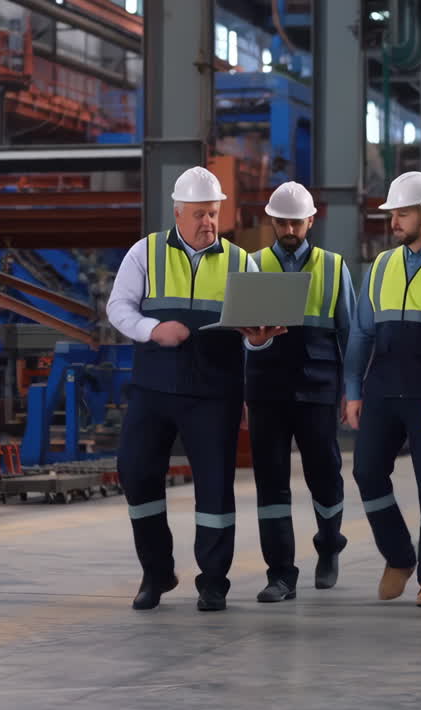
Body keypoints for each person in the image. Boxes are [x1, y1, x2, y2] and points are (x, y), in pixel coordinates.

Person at [106, 166, 285, 612]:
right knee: (136, 472)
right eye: (200, 214)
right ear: (178, 213)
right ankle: (157, 572)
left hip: (214, 393)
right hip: (153, 389)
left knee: (215, 487)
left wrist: (258, 341)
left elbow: (254, 335)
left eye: (214, 213)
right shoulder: (146, 253)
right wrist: (152, 329)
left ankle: (214, 581)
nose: (208, 222)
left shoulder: (241, 262)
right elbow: (118, 307)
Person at [344, 171, 421, 607]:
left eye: (403, 214)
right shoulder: (381, 266)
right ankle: (398, 556)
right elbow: (362, 333)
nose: (394, 222)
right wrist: (353, 389)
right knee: (366, 471)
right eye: (392, 214)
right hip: (382, 388)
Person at [244, 181, 354, 602]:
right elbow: (241, 334)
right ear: (271, 221)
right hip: (266, 387)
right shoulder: (253, 265)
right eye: (282, 222)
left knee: (324, 474)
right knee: (271, 481)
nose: (289, 230)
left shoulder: (333, 267)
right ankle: (280, 574)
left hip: (318, 386)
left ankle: (329, 544)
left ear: (311, 220)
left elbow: (349, 334)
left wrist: (351, 390)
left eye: (296, 222)